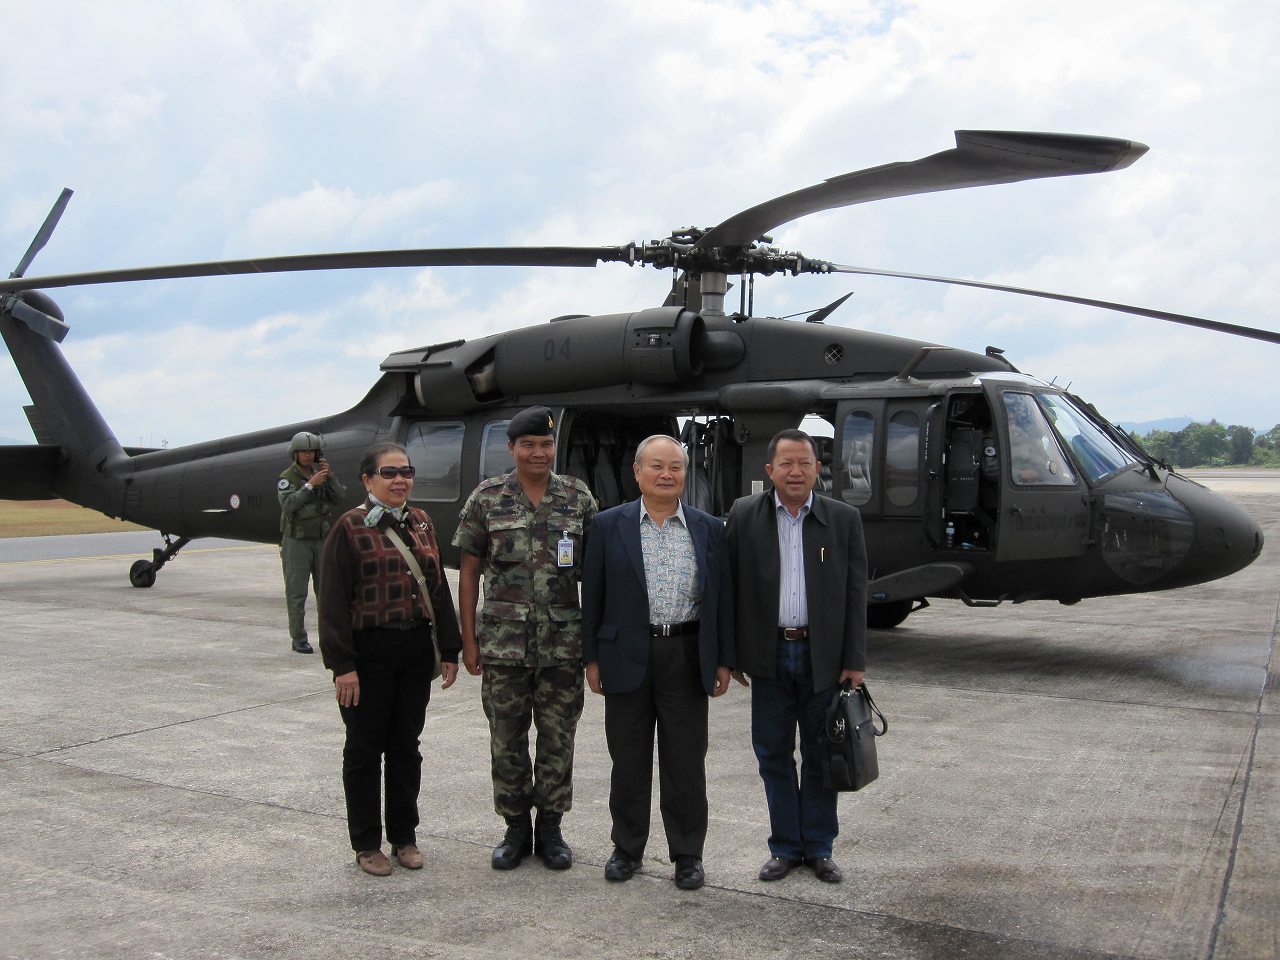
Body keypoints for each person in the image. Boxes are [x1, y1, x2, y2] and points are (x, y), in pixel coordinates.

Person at [581, 434, 734, 891]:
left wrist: (723, 659)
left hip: (686, 654)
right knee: (627, 759)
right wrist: (591, 658)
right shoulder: (609, 526)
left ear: (686, 474)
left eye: (676, 467)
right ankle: (626, 849)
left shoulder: (709, 528)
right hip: (626, 654)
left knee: (686, 761)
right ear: (637, 471)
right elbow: (594, 597)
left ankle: (687, 854)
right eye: (657, 467)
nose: (667, 475)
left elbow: (720, 599)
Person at [453, 406, 597, 871]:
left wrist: (594, 645)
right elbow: (469, 571)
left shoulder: (577, 498)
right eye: (529, 445)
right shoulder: (487, 498)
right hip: (503, 647)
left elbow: (596, 573)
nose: (539, 453)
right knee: (506, 740)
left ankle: (551, 829)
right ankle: (515, 828)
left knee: (559, 739)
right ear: (511, 448)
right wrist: (469, 641)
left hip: (562, 645)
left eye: (546, 444)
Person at [726, 428, 868, 885]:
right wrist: (733, 655)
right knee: (773, 754)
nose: (795, 471)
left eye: (804, 462)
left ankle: (820, 848)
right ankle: (785, 847)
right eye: (785, 463)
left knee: (823, 754)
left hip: (822, 657)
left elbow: (855, 595)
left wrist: (854, 659)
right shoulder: (745, 515)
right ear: (769, 471)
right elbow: (731, 588)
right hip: (768, 657)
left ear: (817, 469)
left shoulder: (843, 519)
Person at [318, 442, 461, 876]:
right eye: (389, 472)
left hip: (414, 649)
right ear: (367, 480)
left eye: (406, 471)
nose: (400, 479)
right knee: (364, 750)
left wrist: (450, 650)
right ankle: (365, 843)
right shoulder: (349, 527)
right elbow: (333, 602)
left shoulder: (421, 522)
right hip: (369, 653)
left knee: (406, 748)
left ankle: (404, 837)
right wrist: (343, 665)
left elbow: (437, 589)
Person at [278, 431, 347, 654]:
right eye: (303, 452)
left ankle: (328, 637)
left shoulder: (320, 474)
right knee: (297, 593)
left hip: (320, 540)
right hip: (297, 542)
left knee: (326, 591)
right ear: (295, 454)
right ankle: (298, 638)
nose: (308, 455)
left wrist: (330, 476)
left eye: (312, 451)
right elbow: (289, 505)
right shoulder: (287, 478)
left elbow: (338, 497)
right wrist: (309, 486)